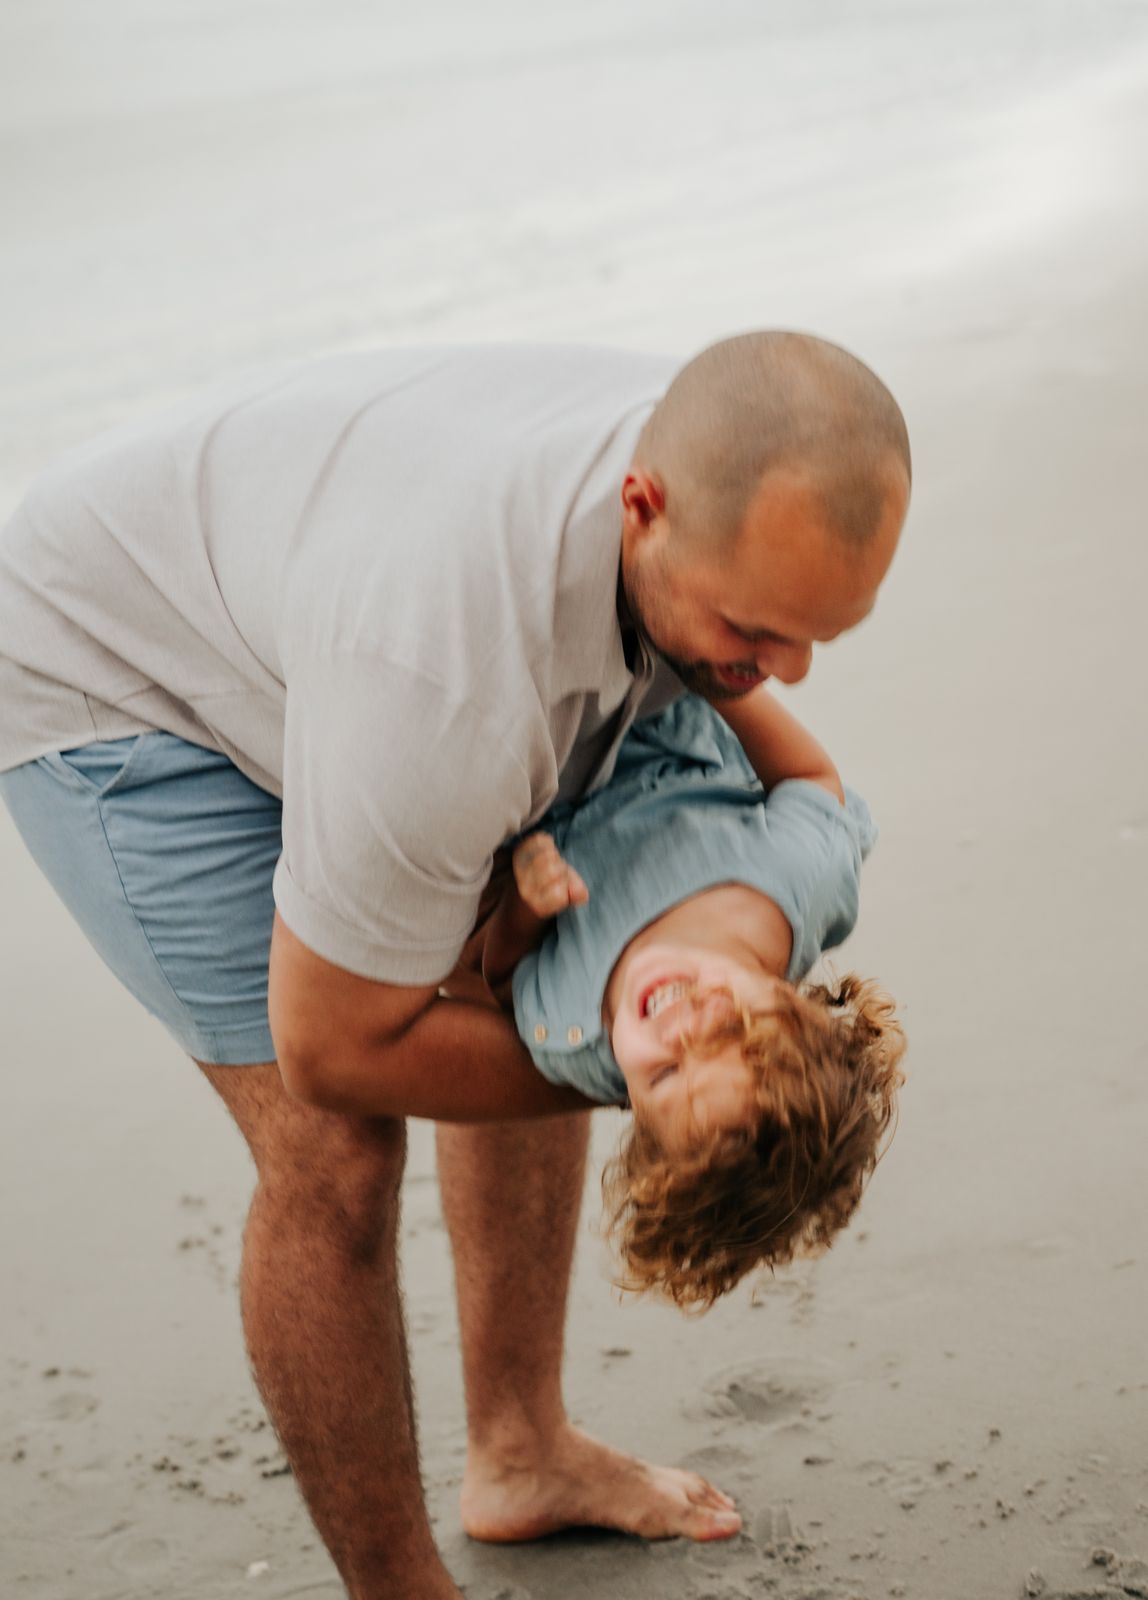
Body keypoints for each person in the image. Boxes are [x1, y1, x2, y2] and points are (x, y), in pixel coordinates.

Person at [0, 331, 911, 1598]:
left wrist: (604, 1035)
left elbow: (536, 961)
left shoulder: (709, 466)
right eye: (753, 630)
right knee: (338, 1143)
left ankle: (520, 1450)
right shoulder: (453, 679)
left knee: (524, 951)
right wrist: (618, 1082)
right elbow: (331, 1046)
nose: (782, 671)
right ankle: (396, 1586)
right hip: (120, 677)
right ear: (639, 508)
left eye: (817, 635)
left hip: (315, 617)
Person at [476, 689, 905, 1310]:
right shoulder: (795, 878)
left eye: (665, 1074)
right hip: (651, 702)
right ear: (793, 1006)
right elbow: (810, 776)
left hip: (523, 780)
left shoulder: (574, 1036)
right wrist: (719, 682)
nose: (677, 1031)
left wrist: (521, 910)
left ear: (632, 1107)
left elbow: (500, 981)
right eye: (725, 1032)